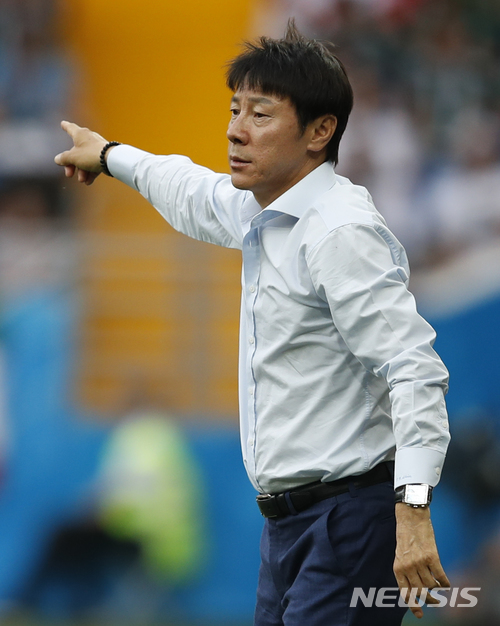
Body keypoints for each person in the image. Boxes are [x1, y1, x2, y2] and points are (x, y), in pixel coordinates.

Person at [54, 21, 451, 626]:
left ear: (320, 131)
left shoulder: (338, 230)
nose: (236, 129)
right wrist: (110, 156)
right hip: (289, 524)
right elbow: (189, 188)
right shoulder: (263, 210)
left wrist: (414, 511)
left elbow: (414, 368)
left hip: (349, 518)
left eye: (261, 114)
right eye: (236, 109)